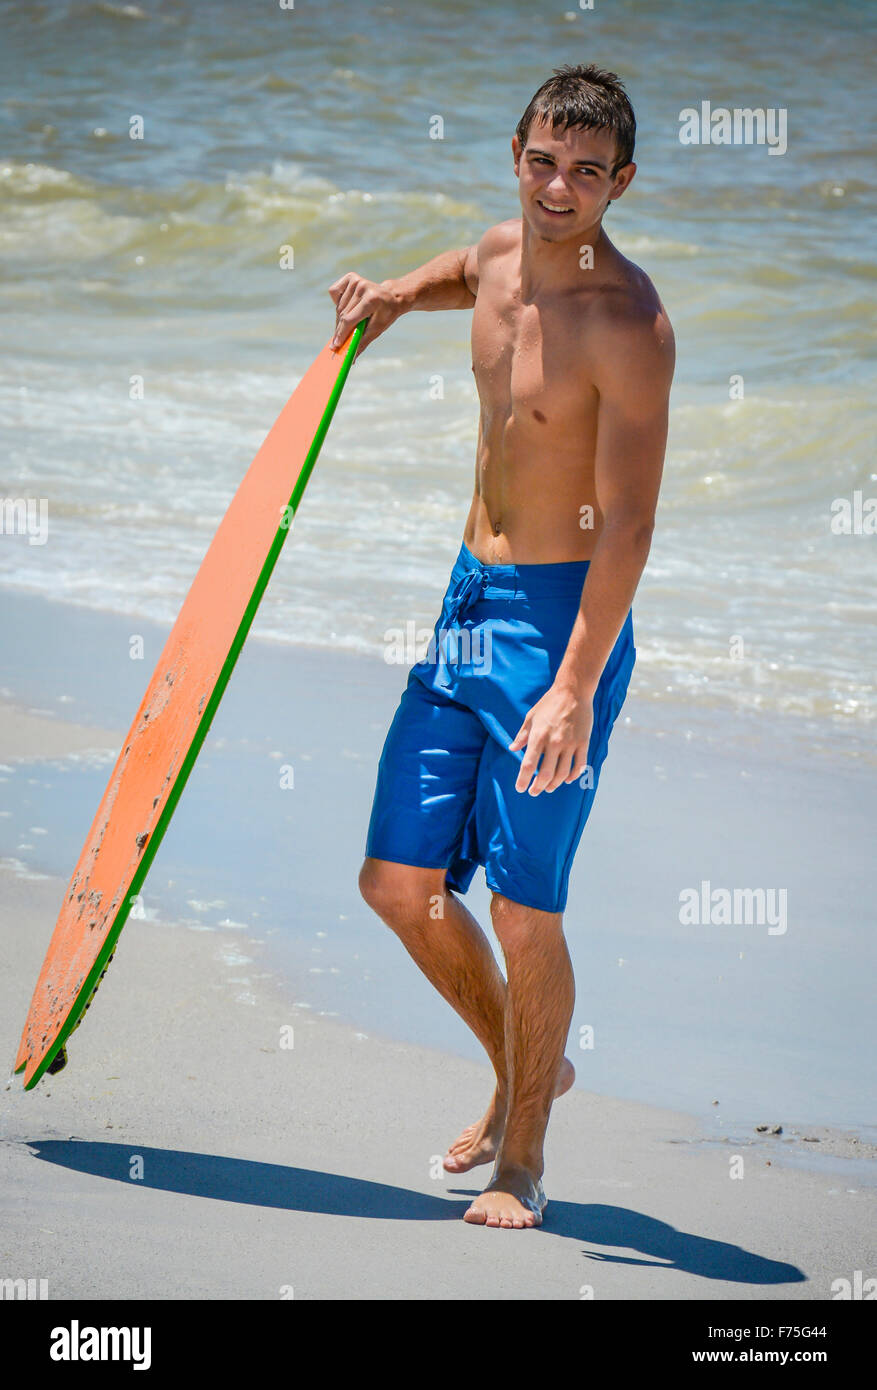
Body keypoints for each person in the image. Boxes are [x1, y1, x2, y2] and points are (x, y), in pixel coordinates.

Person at [328, 63, 675, 1229]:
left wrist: (574, 687)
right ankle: (529, 1061)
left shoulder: (628, 324)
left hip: (561, 623)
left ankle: (522, 1157)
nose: (558, 187)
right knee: (398, 882)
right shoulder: (491, 256)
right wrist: (385, 296)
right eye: (541, 161)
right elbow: (455, 278)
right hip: (465, 602)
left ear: (620, 182)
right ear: (513, 156)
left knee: (526, 909)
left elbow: (629, 524)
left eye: (586, 171)